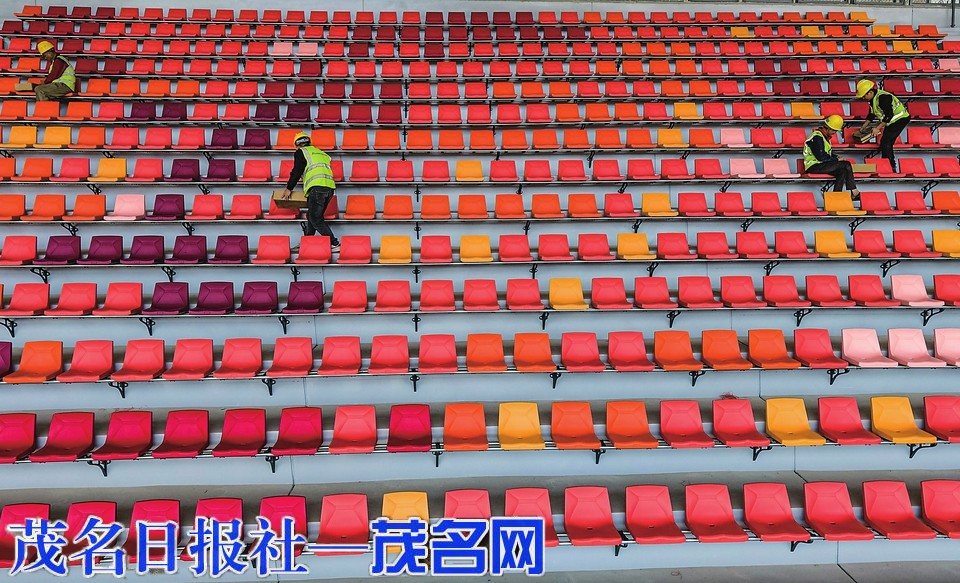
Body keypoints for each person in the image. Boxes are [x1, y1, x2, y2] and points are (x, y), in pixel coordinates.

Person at [280, 132, 340, 250]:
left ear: (297, 145)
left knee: (315, 218)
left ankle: (334, 243)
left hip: (317, 187)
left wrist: (289, 188)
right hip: (329, 188)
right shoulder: (321, 153)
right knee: (312, 216)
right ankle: (307, 241)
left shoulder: (301, 152)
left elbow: (297, 171)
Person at [855, 79, 910, 173]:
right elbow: (872, 114)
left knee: (886, 142)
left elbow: (889, 115)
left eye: (864, 96)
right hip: (891, 121)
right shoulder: (873, 99)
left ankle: (889, 167)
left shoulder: (883, 98)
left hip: (900, 119)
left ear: (870, 92)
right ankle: (888, 166)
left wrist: (877, 128)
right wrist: (863, 127)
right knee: (886, 142)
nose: (863, 98)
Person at [802, 114, 861, 200]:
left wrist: (836, 157)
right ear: (828, 128)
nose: (835, 133)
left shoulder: (824, 137)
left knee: (842, 171)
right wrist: (836, 159)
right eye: (834, 130)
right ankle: (854, 191)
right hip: (813, 166)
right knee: (846, 164)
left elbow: (826, 153)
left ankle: (836, 196)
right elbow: (821, 157)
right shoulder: (817, 137)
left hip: (821, 165)